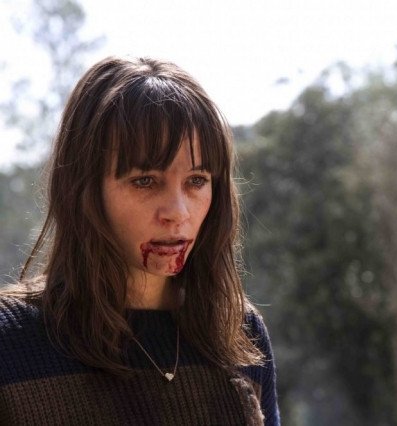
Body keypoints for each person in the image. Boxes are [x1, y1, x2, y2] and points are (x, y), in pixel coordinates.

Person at [0, 56, 280, 425]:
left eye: (196, 181)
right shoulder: (10, 342)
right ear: (83, 190)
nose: (178, 212)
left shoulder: (238, 331)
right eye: (145, 181)